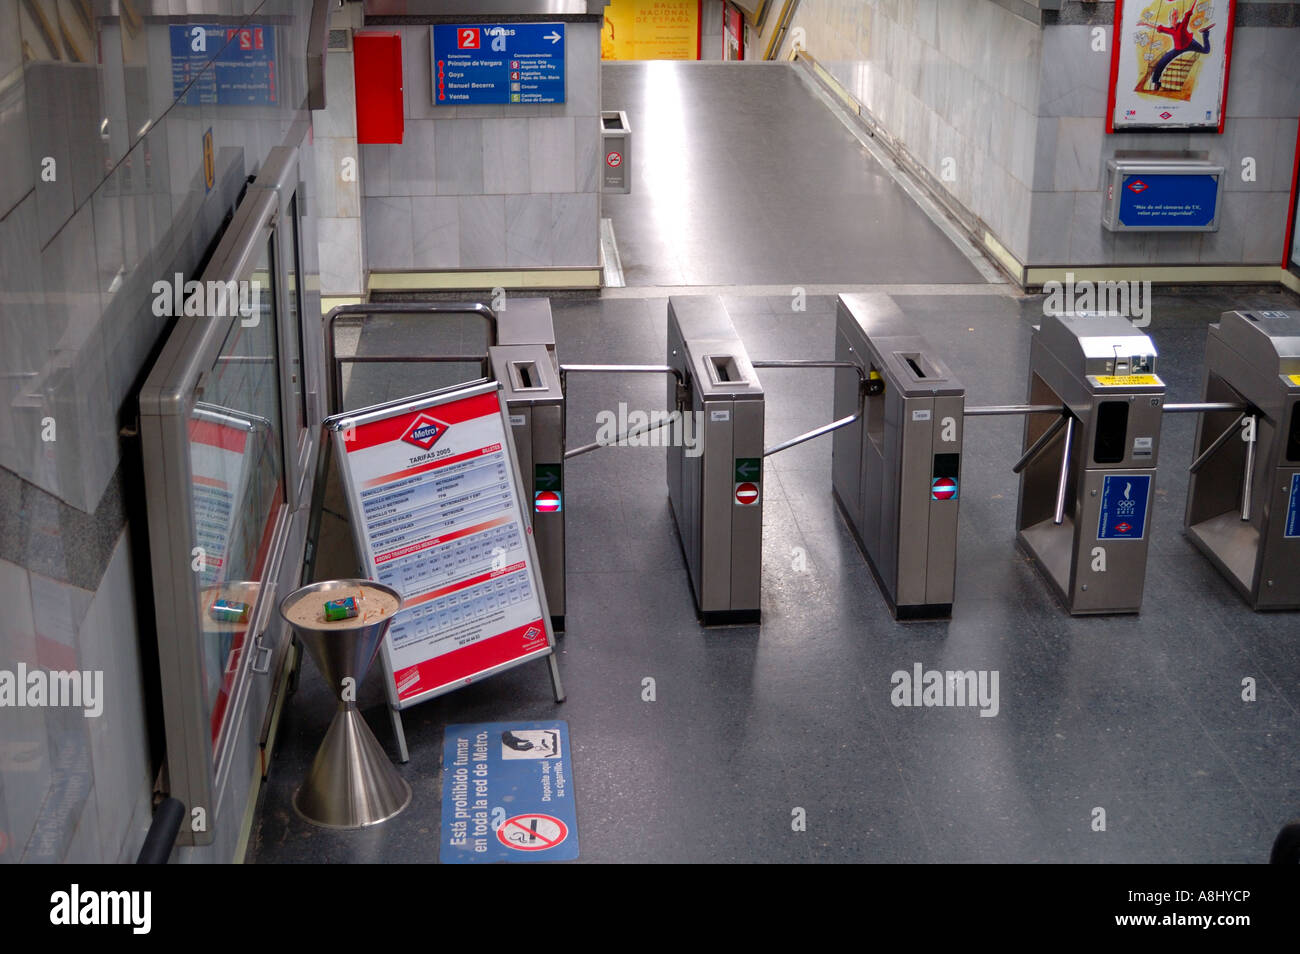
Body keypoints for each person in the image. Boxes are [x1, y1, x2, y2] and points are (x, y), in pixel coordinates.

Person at [1138, 4, 1216, 91]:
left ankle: (1205, 33)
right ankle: (1156, 82)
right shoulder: (1170, 30)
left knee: (1206, 50)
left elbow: (1187, 17)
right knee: (1162, 62)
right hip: (1178, 48)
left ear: (1177, 17)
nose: (1174, 18)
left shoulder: (1182, 25)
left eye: (1175, 15)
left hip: (1190, 44)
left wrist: (1189, 13)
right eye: (1172, 16)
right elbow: (1157, 27)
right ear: (1170, 18)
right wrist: (1144, 23)